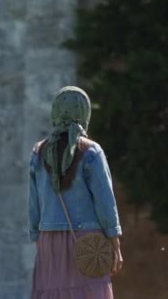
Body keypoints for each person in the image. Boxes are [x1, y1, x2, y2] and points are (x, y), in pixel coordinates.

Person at [28, 86, 124, 299]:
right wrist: (115, 244)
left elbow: (33, 205)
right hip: (88, 241)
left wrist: (40, 240)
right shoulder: (91, 151)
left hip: (48, 241)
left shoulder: (38, 152)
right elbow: (105, 202)